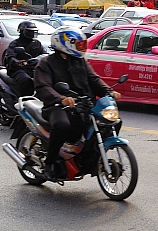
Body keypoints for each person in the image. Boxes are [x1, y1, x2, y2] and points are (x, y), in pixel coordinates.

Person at [34, 28, 120, 180]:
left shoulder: (80, 61)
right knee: (62, 125)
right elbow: (43, 87)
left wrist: (109, 92)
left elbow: (94, 79)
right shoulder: (46, 63)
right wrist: (61, 98)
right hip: (56, 106)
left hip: (83, 104)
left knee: (112, 122)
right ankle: (50, 163)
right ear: (65, 44)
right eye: (79, 44)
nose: (82, 47)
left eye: (83, 44)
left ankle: (91, 157)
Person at [3, 20, 46, 96]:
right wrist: (18, 62)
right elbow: (10, 57)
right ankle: (24, 100)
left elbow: (44, 54)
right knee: (26, 81)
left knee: (46, 79)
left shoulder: (37, 43)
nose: (32, 34)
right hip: (18, 70)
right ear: (22, 31)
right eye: (30, 32)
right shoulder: (15, 43)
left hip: (34, 68)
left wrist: (38, 59)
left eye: (33, 32)